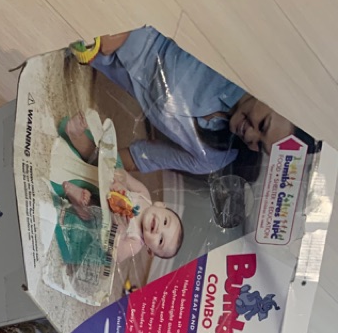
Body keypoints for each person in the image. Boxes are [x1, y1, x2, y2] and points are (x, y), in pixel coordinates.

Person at [69, 28, 315, 180]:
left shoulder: (213, 155)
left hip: (93, 54)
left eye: (259, 146)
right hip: (121, 18)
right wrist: (116, 34)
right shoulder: (237, 56)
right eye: (263, 125)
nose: (250, 135)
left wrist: (91, 157)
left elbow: (141, 158)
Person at [50, 115, 184, 267]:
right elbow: (126, 178)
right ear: (160, 205)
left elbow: (117, 255)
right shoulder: (144, 195)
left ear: (150, 251)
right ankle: (76, 135)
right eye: (165, 221)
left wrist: (119, 230)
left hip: (101, 212)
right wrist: (120, 181)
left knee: (95, 218)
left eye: (160, 240)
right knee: (105, 159)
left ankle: (77, 199)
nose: (159, 229)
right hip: (106, 182)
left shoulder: (136, 242)